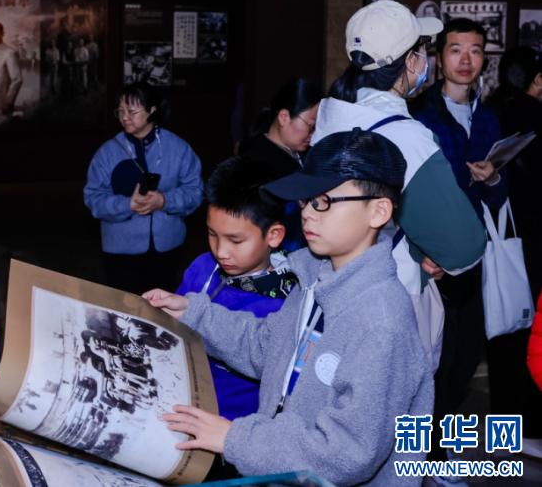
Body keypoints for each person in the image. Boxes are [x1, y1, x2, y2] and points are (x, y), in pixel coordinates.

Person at [144, 129, 433, 485]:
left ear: (378, 211)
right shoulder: (314, 280)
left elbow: (346, 453)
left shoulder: (381, 322)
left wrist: (235, 438)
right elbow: (267, 347)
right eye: (306, 200)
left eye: (323, 201)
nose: (307, 213)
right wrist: (192, 313)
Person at [320, 0, 486, 370]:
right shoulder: (407, 137)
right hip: (391, 299)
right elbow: (464, 247)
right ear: (411, 62)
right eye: (423, 50)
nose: (426, 59)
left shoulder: (330, 115)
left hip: (334, 286)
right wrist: (427, 248)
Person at [408, 18, 512, 468]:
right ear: (438, 58)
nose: (466, 60)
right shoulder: (419, 115)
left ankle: (438, 449)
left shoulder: (489, 119)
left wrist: (493, 179)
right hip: (429, 258)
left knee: (465, 358)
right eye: (455, 50)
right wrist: (418, 251)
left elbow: (500, 198)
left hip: (473, 255)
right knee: (428, 361)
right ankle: (421, 457)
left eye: (475, 51)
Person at [175, 157, 296, 424]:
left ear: (274, 235)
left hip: (231, 426)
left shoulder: (286, 305)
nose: (221, 251)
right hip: (180, 401)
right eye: (212, 234)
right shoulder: (202, 267)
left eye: (235, 240)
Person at [84, 82, 203, 295]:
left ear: (152, 110)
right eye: (120, 111)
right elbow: (93, 198)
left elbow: (195, 191)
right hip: (120, 251)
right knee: (123, 309)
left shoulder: (178, 148)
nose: (124, 117)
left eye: (131, 111)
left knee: (162, 308)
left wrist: (164, 201)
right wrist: (126, 204)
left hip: (167, 247)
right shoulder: (107, 153)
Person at [486, 46, 542, 461]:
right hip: (533, 240)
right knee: (531, 336)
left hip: (497, 240)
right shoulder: (535, 116)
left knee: (501, 337)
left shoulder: (489, 112)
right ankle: (528, 428)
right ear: (537, 81)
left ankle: (503, 431)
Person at [239, 78, 322, 252]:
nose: (313, 134)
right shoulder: (256, 161)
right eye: (311, 126)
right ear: (284, 117)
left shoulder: (301, 152)